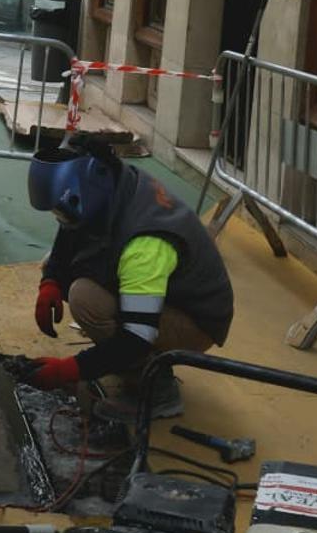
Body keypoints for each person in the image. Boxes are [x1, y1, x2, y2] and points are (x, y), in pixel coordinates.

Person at [14, 139, 234, 419]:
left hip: (197, 321)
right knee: (66, 271)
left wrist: (68, 369)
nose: (62, 217)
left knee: (86, 298)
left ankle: (158, 391)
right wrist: (51, 282)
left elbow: (137, 337)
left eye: (64, 208)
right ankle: (129, 365)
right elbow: (70, 229)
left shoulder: (145, 245)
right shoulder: (114, 182)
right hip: (172, 294)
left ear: (93, 178)